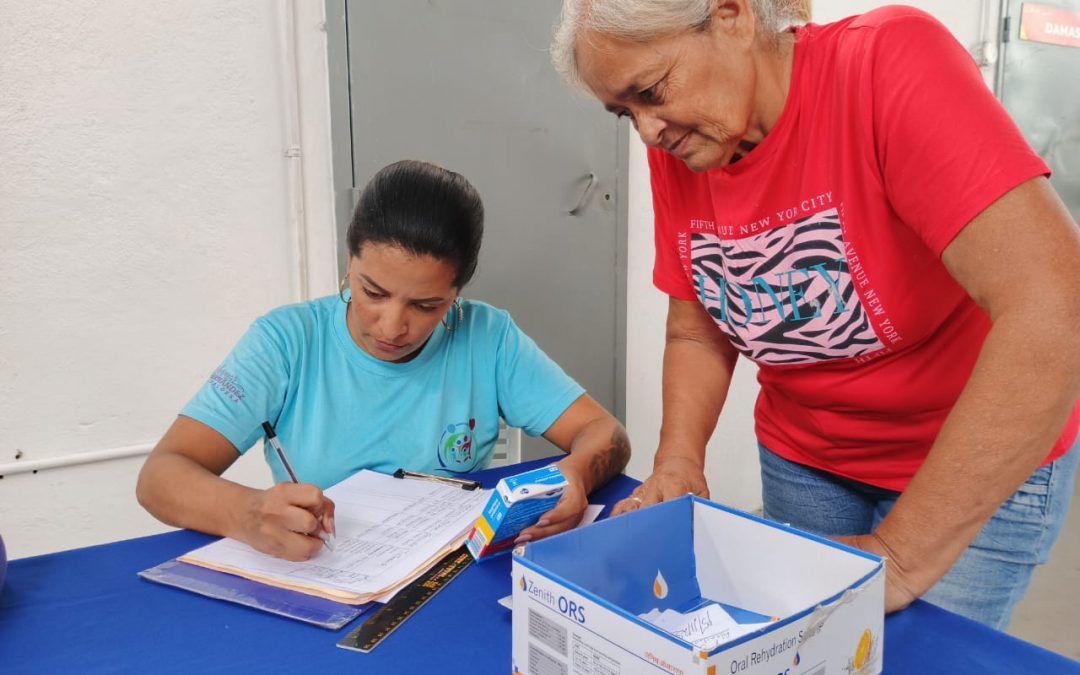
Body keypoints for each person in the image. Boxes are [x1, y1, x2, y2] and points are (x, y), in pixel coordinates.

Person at [551, 0, 1080, 630]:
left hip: (960, 459)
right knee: (806, 649)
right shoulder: (684, 140)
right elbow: (696, 328)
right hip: (806, 459)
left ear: (732, 16)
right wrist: (678, 460)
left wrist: (902, 557)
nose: (647, 132)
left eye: (651, 91)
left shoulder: (886, 66)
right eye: (624, 113)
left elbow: (1054, 303)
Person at [137, 159, 630, 562]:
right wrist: (248, 514)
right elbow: (161, 476)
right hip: (323, 570)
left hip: (448, 574)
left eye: (427, 306)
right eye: (372, 292)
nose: (392, 328)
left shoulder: (488, 337)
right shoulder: (285, 343)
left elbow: (604, 433)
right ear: (348, 261)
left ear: (457, 293)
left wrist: (575, 474)